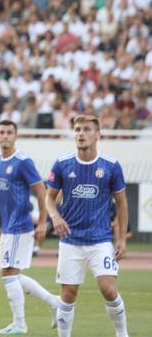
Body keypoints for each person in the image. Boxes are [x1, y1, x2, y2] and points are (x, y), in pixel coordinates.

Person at [45, 115, 129, 337]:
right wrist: (54, 216)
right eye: (77, 129)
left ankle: (123, 334)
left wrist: (120, 239)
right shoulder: (62, 164)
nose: (80, 134)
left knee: (108, 289)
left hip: (100, 239)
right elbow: (49, 197)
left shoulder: (111, 166)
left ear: (98, 134)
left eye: (86, 129)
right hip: (70, 240)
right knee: (68, 294)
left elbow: (121, 203)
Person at [0, 120, 59, 334]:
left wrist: (42, 221)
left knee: (8, 275)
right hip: (8, 227)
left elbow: (42, 191)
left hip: (20, 226)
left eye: (9, 132)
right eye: (1, 132)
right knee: (12, 275)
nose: (5, 135)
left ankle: (20, 324)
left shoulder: (23, 162)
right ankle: (54, 303)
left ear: (15, 136)